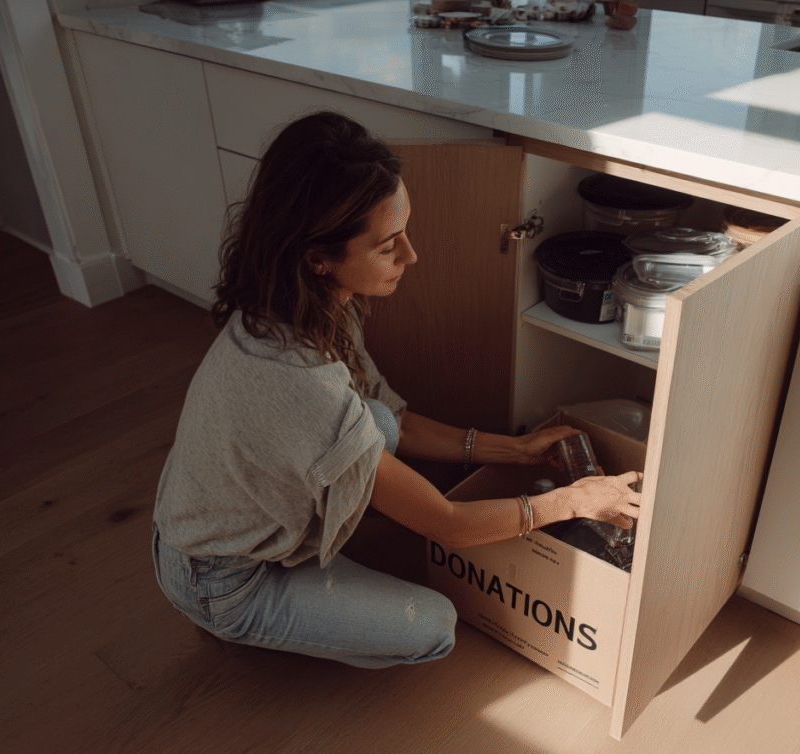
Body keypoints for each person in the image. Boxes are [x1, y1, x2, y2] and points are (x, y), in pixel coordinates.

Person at [152, 111, 642, 669]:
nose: (410, 256)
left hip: (217, 518)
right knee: (431, 627)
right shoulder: (295, 381)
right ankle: (235, 621)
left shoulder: (307, 303)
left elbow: (396, 420)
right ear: (318, 258)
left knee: (377, 422)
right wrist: (572, 501)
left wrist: (515, 449)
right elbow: (448, 526)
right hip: (220, 578)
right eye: (388, 246)